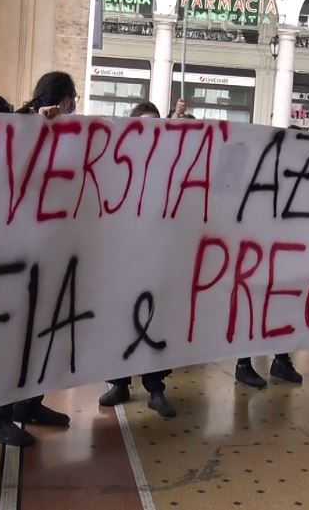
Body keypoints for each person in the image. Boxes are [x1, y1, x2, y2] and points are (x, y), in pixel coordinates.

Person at [0, 75, 75, 446]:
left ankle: (28, 403)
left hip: (44, 252)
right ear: (65, 101)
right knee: (8, 336)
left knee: (41, 334)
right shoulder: (23, 124)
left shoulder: (64, 132)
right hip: (8, 258)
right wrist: (35, 117)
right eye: (73, 100)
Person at [98, 100, 176, 417]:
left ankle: (156, 387)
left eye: (157, 124)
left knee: (157, 320)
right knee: (121, 322)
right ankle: (118, 383)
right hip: (123, 258)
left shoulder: (167, 163)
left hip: (158, 256)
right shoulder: (118, 162)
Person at [234, 123, 306, 389]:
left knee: (284, 308)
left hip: (290, 256)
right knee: (252, 309)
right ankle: (243, 364)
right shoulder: (263, 170)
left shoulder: (303, 173)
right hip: (259, 255)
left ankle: (281, 360)